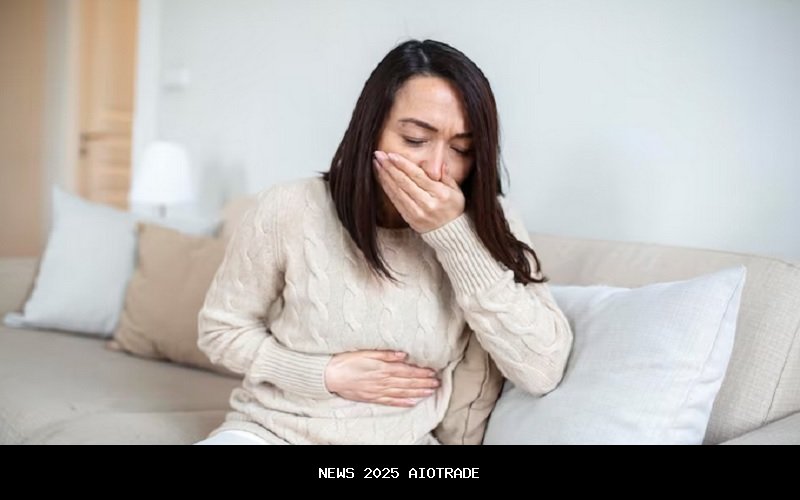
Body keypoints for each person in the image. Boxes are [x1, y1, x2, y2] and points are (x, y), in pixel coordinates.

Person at [194, 39, 573, 445]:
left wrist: (454, 238)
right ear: (370, 130)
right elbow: (220, 331)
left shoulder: (492, 221)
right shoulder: (290, 207)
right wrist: (322, 375)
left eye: (462, 149)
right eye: (414, 139)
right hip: (273, 432)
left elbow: (542, 369)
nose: (436, 167)